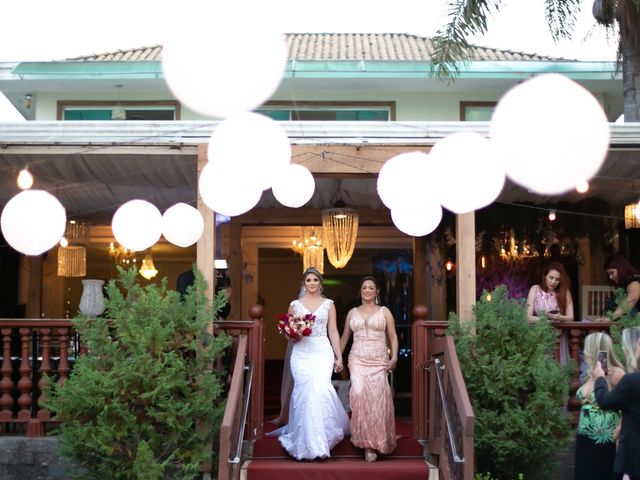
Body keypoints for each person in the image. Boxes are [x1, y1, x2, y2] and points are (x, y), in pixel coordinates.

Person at [268, 267, 349, 460]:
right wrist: (293, 335)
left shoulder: (329, 304)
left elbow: (333, 331)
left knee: (320, 389)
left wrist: (339, 356)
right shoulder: (295, 305)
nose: (312, 283)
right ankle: (305, 440)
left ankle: (323, 438)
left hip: (322, 351)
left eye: (315, 280)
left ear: (320, 283)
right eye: (308, 280)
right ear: (303, 284)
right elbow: (287, 330)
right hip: (302, 354)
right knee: (304, 392)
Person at [339, 276, 398, 462]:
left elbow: (393, 336)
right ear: (360, 291)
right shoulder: (352, 313)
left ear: (376, 292)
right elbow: (344, 337)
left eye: (371, 288)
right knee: (359, 394)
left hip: (379, 360)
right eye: (364, 287)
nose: (367, 290)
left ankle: (376, 442)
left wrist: (394, 357)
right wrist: (337, 357)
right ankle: (366, 443)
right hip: (357, 359)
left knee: (377, 400)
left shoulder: (385, 312)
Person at [574, 332, 625, 480]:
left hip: (606, 441)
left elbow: (628, 405)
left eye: (587, 348)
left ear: (595, 350)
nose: (584, 352)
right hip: (584, 439)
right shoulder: (591, 372)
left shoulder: (617, 373)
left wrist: (620, 433)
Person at [593, 326, 640, 480]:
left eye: (625, 344)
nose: (622, 348)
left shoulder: (632, 380)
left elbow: (604, 402)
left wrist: (600, 377)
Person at [601, 254, 640, 321]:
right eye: (608, 275)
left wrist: (611, 318)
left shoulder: (634, 281)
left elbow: (632, 299)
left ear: (620, 268)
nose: (610, 277)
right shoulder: (624, 284)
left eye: (612, 273)